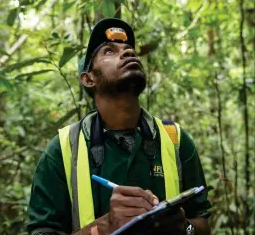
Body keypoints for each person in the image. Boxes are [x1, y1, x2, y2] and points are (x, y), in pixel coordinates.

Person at [27, 18, 211, 235]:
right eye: (109, 51)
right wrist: (104, 227)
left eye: (129, 49)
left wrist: (184, 227)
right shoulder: (63, 150)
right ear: (88, 79)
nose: (128, 53)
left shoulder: (175, 140)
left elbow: (203, 224)